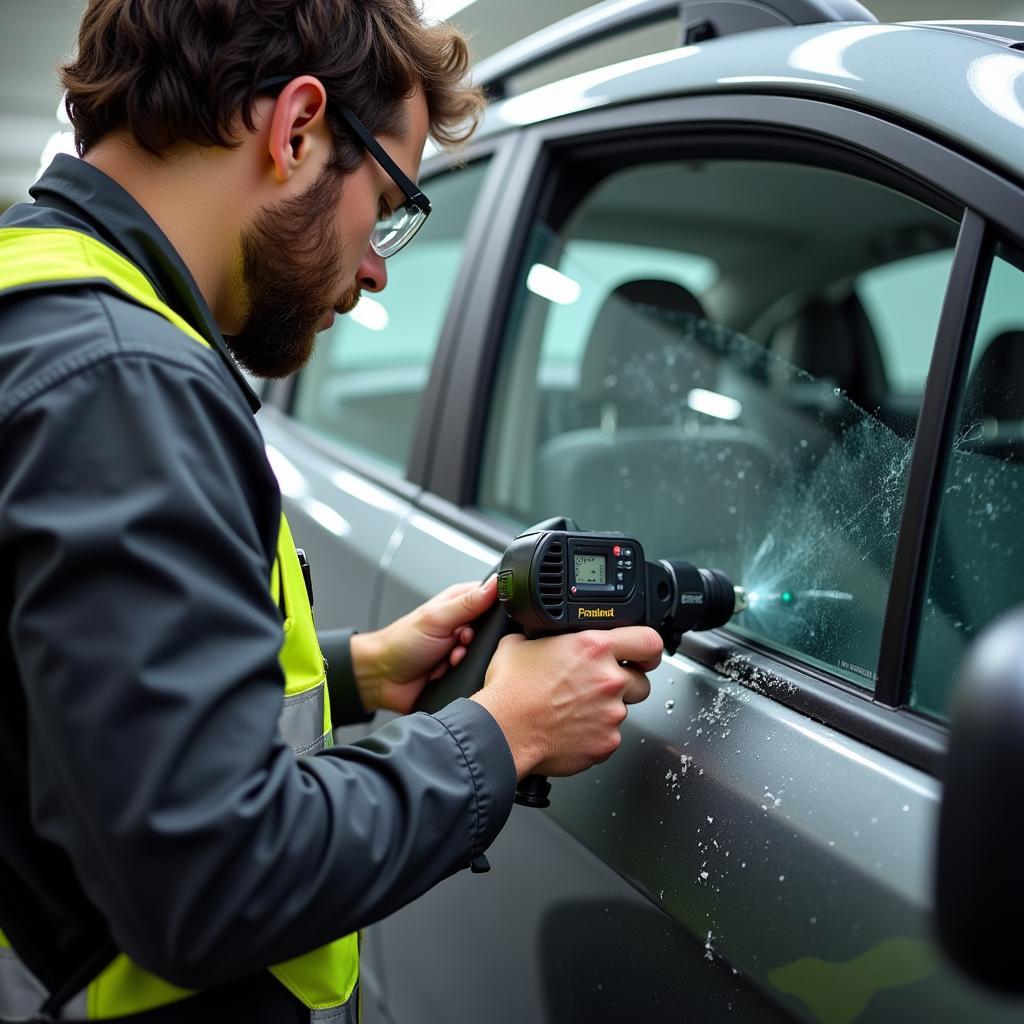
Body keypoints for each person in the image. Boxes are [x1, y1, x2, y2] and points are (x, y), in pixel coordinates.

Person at [0, 2, 662, 1021]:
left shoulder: (39, 300)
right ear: (298, 127)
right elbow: (211, 880)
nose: (375, 265)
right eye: (391, 202)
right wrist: (503, 732)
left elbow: (63, 702)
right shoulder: (124, 380)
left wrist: (362, 670)